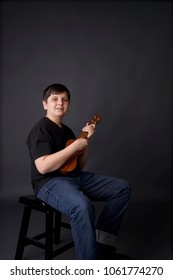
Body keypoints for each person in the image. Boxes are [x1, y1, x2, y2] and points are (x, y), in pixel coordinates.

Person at [26, 83, 131, 260]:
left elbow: (78, 166)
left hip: (73, 177)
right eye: (54, 99)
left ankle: (103, 245)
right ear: (45, 104)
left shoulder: (66, 130)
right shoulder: (41, 129)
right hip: (48, 183)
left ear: (68, 104)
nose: (60, 103)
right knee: (82, 206)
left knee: (122, 188)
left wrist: (85, 143)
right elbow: (43, 166)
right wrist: (75, 145)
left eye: (64, 99)